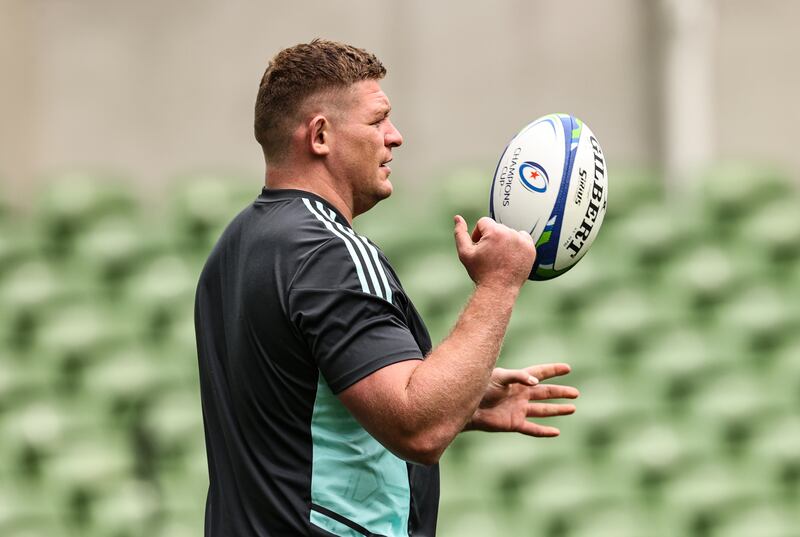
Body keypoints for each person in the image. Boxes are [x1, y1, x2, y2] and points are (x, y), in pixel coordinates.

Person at [194, 39, 579, 537]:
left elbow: (297, 409)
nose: (394, 137)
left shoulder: (235, 246)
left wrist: (462, 399)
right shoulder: (329, 252)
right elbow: (418, 428)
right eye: (377, 120)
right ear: (320, 135)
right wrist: (501, 282)